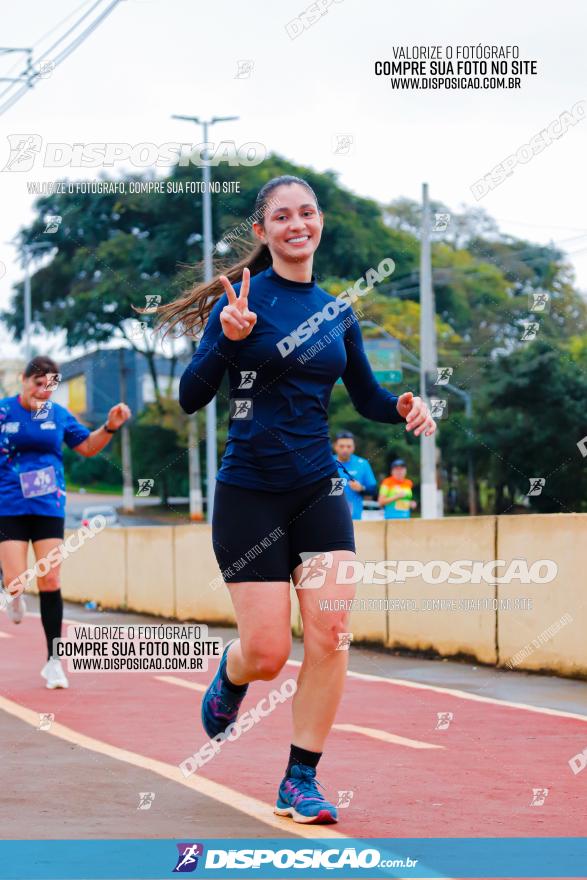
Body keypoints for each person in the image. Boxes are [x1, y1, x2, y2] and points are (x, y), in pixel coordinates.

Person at [162, 175, 436, 824]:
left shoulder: (337, 311)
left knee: (332, 632)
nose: (296, 224)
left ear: (318, 223)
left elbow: (365, 397)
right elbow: (190, 396)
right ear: (262, 231)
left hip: (318, 490)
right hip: (248, 492)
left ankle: (299, 780)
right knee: (266, 652)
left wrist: (400, 407)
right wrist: (226, 338)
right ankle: (231, 676)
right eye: (280, 216)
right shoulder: (241, 301)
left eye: (306, 213)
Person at [0, 356, 131, 688]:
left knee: (50, 579)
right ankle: (12, 589)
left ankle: (53, 661)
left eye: (49, 387)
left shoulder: (58, 415)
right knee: (17, 581)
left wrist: (111, 426)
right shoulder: (3, 412)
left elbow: (87, 446)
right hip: (9, 506)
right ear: (23, 380)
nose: (43, 392)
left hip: (48, 506)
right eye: (37, 384)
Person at [332, 431, 377, 520]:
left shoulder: (363, 464)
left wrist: (361, 488)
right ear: (335, 447)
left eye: (349, 446)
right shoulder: (327, 463)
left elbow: (373, 490)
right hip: (331, 516)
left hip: (354, 518)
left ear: (353, 447)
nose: (345, 449)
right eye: (342, 446)